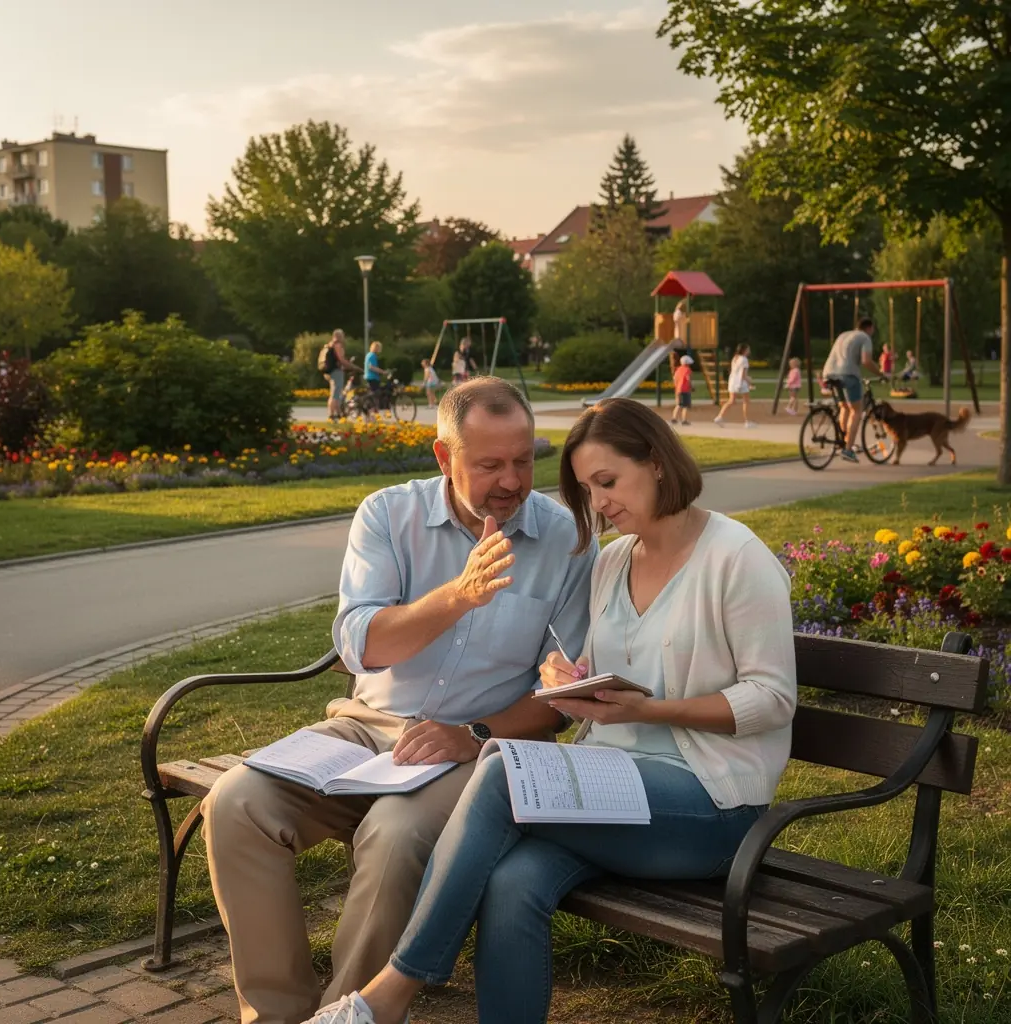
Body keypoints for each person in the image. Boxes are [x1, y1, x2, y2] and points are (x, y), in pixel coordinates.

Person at [304, 397, 797, 1024]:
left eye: (608, 482)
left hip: (714, 806)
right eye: (587, 489)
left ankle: (388, 993)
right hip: (615, 787)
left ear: (658, 464)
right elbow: (585, 666)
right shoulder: (614, 559)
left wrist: (651, 710)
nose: (598, 504)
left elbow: (774, 699)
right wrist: (562, 677)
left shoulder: (736, 556)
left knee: (504, 769)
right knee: (513, 884)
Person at [202, 377, 597, 1024]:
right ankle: (277, 1015)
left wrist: (470, 733)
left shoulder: (567, 542)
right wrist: (457, 596)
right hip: (365, 730)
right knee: (236, 804)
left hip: (478, 749)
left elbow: (561, 700)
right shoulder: (388, 514)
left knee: (394, 834)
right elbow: (363, 647)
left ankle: (351, 1015)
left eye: (523, 461)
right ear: (445, 458)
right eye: (489, 464)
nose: (512, 480)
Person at [821, 317, 879, 462]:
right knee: (856, 411)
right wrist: (880, 373)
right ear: (869, 328)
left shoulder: (843, 334)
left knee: (844, 408)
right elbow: (866, 361)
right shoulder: (865, 338)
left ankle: (842, 442)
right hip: (848, 374)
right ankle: (848, 449)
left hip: (829, 373)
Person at [319, 330, 361, 419]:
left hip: (329, 372)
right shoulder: (337, 345)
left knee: (334, 393)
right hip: (336, 371)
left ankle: (337, 413)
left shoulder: (329, 345)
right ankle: (332, 414)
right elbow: (341, 360)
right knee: (335, 394)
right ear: (339, 336)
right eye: (342, 335)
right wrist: (354, 367)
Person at [714, 343, 756, 428]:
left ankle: (719, 417)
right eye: (748, 349)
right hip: (740, 382)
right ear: (744, 350)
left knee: (731, 401)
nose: (749, 351)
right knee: (746, 401)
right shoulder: (744, 359)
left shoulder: (735, 358)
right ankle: (747, 422)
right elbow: (743, 375)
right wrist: (750, 382)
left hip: (732, 381)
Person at [671, 354, 693, 426]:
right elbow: (688, 378)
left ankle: (674, 418)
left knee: (678, 404)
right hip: (685, 389)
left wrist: (676, 386)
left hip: (678, 389)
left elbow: (674, 379)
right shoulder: (687, 370)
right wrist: (691, 386)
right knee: (685, 405)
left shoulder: (678, 369)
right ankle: (684, 420)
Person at [364, 341, 384, 410]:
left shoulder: (368, 354)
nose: (380, 349)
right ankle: (372, 408)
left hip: (369, 376)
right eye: (379, 348)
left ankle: (371, 408)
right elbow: (371, 367)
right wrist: (382, 372)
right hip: (372, 377)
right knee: (375, 393)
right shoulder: (372, 355)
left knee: (373, 393)